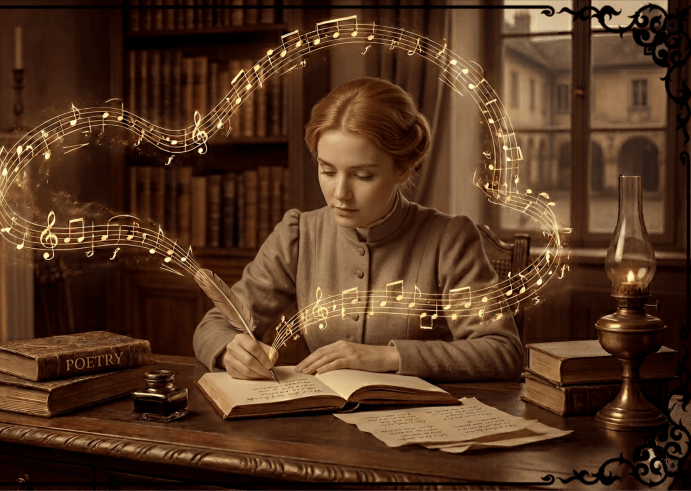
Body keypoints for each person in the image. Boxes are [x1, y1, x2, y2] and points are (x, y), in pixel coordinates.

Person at [193, 77, 523, 382]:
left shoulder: (449, 239)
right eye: (327, 171)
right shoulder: (298, 233)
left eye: (363, 175)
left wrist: (387, 356)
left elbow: (503, 351)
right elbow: (216, 324)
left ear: (403, 169)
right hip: (322, 426)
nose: (340, 193)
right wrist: (229, 351)